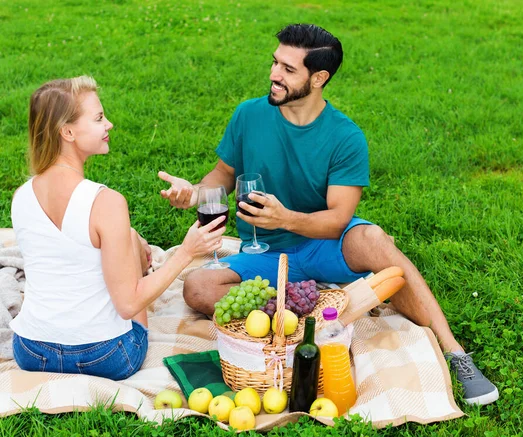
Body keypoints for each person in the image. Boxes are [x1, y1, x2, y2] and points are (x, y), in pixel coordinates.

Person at [158, 24, 498, 405]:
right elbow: (222, 174)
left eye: (288, 70)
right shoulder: (248, 115)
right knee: (197, 288)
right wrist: (194, 193)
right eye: (275, 63)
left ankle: (455, 352)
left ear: (319, 78)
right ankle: (307, 310)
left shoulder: (345, 137)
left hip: (324, 244)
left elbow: (338, 218)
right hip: (266, 253)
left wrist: (286, 218)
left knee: (374, 241)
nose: (273, 74)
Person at [10, 76, 226, 381]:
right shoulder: (106, 202)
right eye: (98, 118)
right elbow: (128, 305)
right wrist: (187, 252)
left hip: (31, 350)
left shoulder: (21, 196)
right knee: (130, 256)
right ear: (67, 131)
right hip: (105, 356)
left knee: (128, 238)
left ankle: (131, 243)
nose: (109, 124)